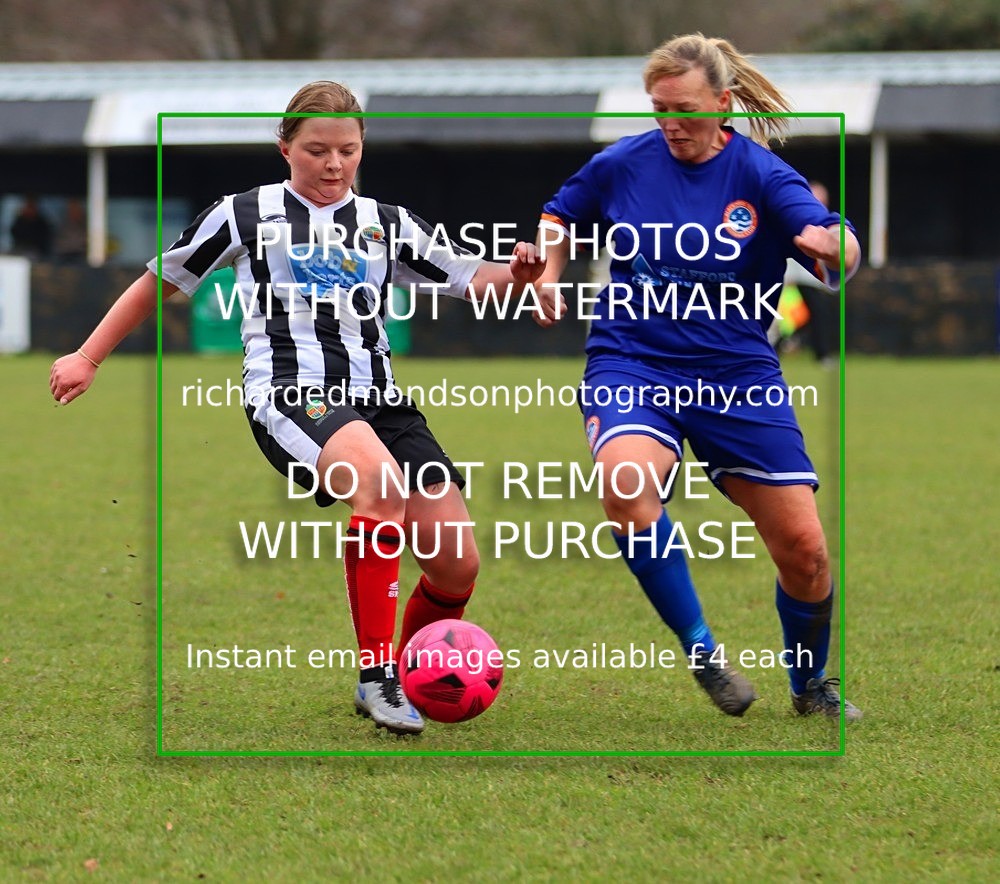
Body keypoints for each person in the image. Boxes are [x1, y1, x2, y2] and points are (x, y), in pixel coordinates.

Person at [50, 81, 545, 735]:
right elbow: (157, 281)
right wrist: (87, 356)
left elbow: (468, 276)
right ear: (285, 147)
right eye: (316, 150)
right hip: (292, 392)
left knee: (456, 563)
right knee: (377, 485)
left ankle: (409, 668)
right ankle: (378, 678)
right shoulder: (242, 213)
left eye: (347, 150)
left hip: (381, 403)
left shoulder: (386, 223)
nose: (333, 164)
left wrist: (518, 274)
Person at [534, 34, 862, 720]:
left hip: (736, 374)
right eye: (658, 108)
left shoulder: (761, 175)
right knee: (626, 485)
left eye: (683, 108)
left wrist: (835, 245)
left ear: (723, 101)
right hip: (633, 360)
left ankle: (810, 686)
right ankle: (702, 651)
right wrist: (549, 271)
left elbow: (831, 238)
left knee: (804, 552)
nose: (670, 122)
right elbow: (560, 213)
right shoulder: (624, 163)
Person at [9, 195, 53, 260]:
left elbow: (43, 240)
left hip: (36, 252)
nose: (29, 209)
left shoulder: (41, 222)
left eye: (31, 206)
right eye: (28, 206)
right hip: (20, 249)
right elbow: (14, 233)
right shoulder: (20, 220)